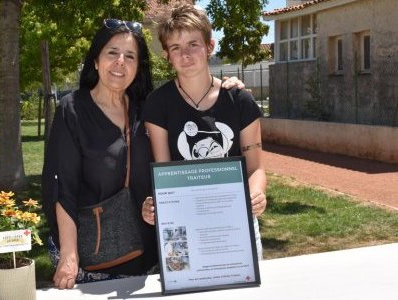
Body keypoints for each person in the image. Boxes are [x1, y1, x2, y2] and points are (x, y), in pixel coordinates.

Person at [42, 18, 246, 290]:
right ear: (95, 60)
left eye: (130, 56)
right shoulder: (73, 110)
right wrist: (68, 254)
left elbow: (193, 128)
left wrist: (226, 91)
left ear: (138, 67)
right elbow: (62, 187)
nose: (120, 63)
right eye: (112, 53)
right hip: (93, 259)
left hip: (152, 257)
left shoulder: (149, 109)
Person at [141, 4, 267, 259]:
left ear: (210, 46)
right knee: (184, 286)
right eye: (175, 47)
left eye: (193, 44)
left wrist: (256, 194)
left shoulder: (240, 100)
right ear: (167, 55)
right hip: (181, 222)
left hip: (235, 219)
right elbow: (164, 172)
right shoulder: (157, 104)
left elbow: (256, 169)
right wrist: (154, 206)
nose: (185, 54)